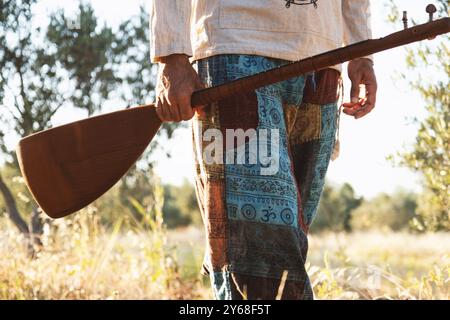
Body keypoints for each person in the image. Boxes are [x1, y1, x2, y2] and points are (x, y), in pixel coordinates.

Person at [150, 0, 377, 300]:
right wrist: (172, 57)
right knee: (259, 261)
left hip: (324, 64)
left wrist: (361, 52)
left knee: (289, 244)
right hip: (236, 47)